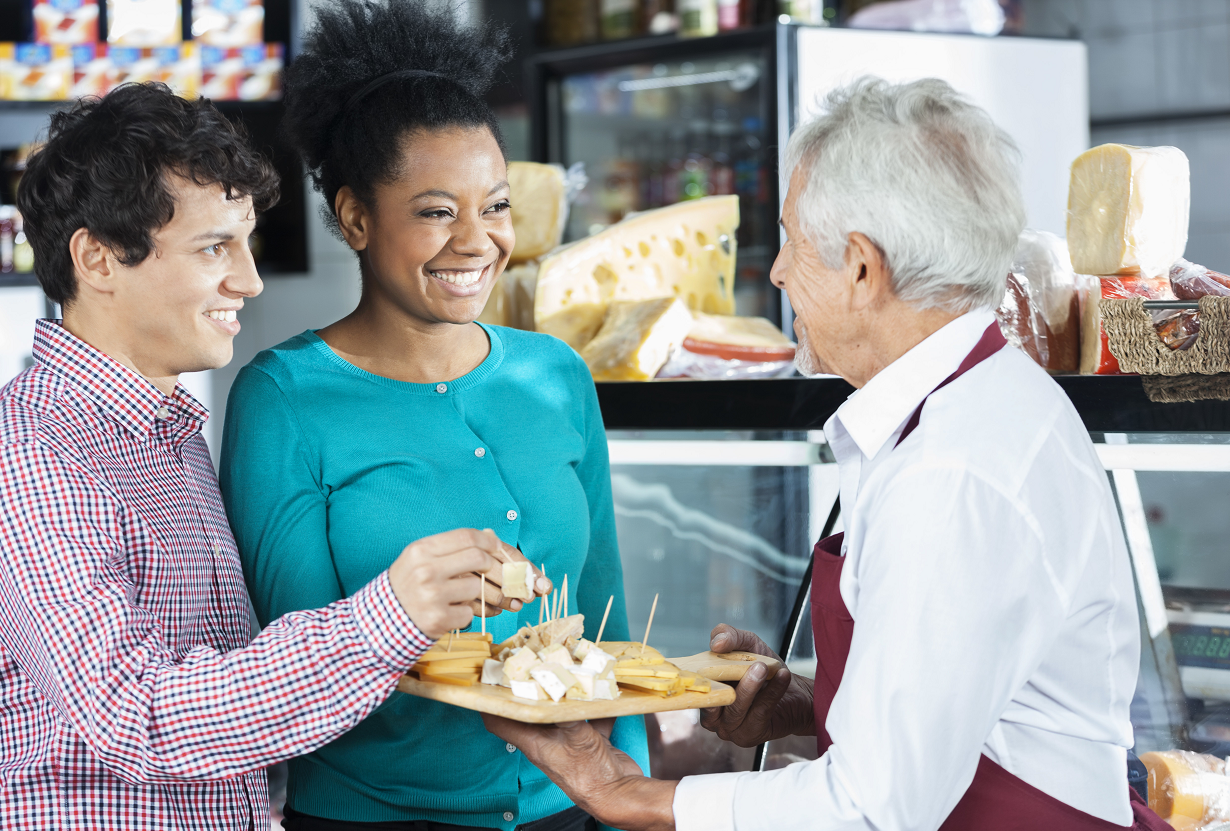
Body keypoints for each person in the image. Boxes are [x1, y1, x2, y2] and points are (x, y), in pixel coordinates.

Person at [484, 78, 1174, 831]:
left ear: (861, 268)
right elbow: (980, 707)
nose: (776, 272)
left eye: (790, 241)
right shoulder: (972, 398)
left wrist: (629, 794)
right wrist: (809, 704)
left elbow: (872, 807)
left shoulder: (953, 470)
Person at [0, 82, 541, 831]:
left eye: (246, 242)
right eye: (213, 246)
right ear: (96, 258)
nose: (249, 280)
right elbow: (137, 716)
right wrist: (388, 614)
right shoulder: (31, 455)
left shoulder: (167, 433)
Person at [218, 2, 648, 830]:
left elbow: (607, 623)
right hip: (376, 815)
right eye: (435, 211)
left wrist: (630, 795)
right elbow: (291, 668)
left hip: (572, 809)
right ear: (353, 217)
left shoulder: (557, 374)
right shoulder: (284, 398)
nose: (477, 241)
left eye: (494, 206)